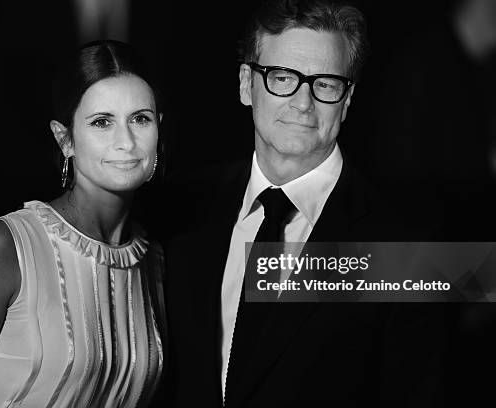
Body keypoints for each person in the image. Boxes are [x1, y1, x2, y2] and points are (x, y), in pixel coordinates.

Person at [164, 1, 445, 407]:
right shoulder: (180, 210)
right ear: (247, 84)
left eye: (326, 84)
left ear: (347, 100)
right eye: (282, 77)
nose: (302, 102)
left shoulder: (410, 247)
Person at [0, 40, 165, 408]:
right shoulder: (6, 247)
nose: (126, 142)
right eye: (102, 122)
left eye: (140, 119)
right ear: (64, 138)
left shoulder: (155, 261)